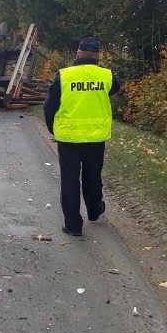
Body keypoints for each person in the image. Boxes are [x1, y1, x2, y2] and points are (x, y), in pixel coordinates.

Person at [43, 37, 120, 237]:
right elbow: (114, 89)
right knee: (93, 176)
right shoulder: (107, 76)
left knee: (70, 180)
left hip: (68, 138)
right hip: (96, 137)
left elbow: (49, 106)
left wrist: (53, 128)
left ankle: (73, 226)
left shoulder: (64, 75)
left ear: (77, 54)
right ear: (98, 56)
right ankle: (94, 210)